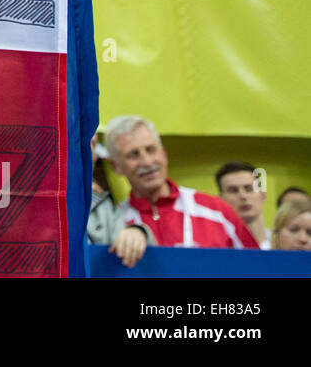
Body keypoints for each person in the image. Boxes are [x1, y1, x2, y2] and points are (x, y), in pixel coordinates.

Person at [105, 114, 258, 248]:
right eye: (133, 155)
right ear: (116, 166)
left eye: (151, 150)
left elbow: (257, 268)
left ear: (163, 154)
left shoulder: (216, 211)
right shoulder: (115, 224)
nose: (146, 161)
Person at [87, 135, 153, 267]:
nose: (88, 151)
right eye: (77, 140)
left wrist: (138, 233)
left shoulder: (104, 207)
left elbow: (131, 265)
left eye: (93, 144)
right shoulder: (35, 203)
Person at [215, 161, 270, 249]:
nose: (243, 196)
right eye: (233, 190)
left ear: (262, 195)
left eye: (249, 189)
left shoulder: (284, 245)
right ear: (220, 199)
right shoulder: (214, 247)